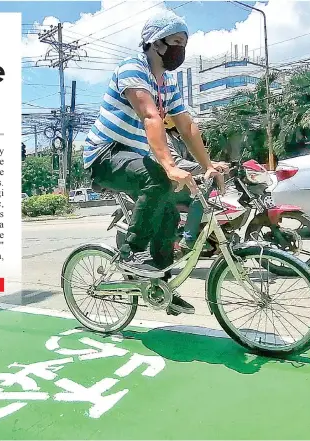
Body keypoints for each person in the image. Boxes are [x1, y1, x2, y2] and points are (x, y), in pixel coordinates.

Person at [82, 10, 223, 315]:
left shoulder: (167, 83)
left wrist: (208, 165)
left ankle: (161, 287)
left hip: (134, 157)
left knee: (169, 216)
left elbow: (186, 126)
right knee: (160, 178)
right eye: (175, 41)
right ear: (154, 43)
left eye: (183, 43)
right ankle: (130, 252)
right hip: (104, 154)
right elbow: (150, 116)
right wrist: (170, 166)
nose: (180, 50)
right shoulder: (132, 69)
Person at [155, 117, 229, 255]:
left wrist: (214, 165)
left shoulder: (179, 140)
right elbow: (177, 163)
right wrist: (209, 167)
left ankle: (203, 233)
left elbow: (194, 160)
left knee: (208, 191)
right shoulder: (164, 137)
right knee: (202, 190)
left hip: (177, 183)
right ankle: (188, 238)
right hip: (167, 186)